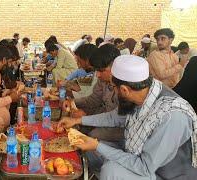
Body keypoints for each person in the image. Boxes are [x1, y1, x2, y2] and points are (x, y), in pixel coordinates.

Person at [59, 55, 197, 180]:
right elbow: (114, 118)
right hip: (137, 155)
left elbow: (144, 167)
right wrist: (77, 120)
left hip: (161, 174)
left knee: (111, 170)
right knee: (91, 152)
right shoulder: (144, 90)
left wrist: (97, 145)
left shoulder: (171, 116)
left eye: (113, 87)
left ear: (124, 90)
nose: (113, 91)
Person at [71, 44, 122, 141]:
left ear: (114, 67)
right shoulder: (102, 79)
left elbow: (116, 118)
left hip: (119, 127)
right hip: (106, 117)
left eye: (101, 70)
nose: (97, 75)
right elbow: (94, 100)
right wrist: (73, 101)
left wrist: (84, 119)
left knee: (91, 135)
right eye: (96, 70)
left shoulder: (124, 86)